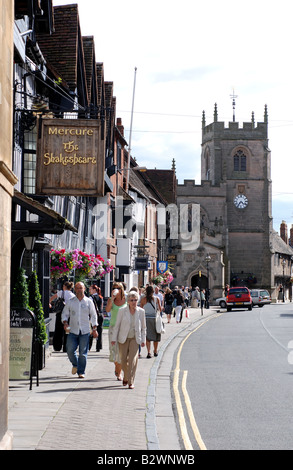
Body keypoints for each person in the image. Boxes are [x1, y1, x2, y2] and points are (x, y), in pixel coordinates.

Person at [62, 282, 98, 378]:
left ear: (84, 289)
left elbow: (94, 315)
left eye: (81, 288)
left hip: (85, 331)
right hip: (73, 330)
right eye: (77, 288)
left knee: (83, 353)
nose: (79, 290)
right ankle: (75, 364)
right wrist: (65, 323)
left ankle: (81, 372)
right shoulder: (71, 301)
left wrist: (94, 328)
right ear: (75, 290)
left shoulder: (88, 301)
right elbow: (65, 313)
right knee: (70, 350)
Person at [111, 291, 146, 389]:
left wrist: (143, 340)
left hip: (135, 338)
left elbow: (144, 327)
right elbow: (117, 326)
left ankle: (131, 381)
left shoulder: (141, 312)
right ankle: (125, 376)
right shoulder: (122, 311)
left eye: (135, 300)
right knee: (123, 360)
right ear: (128, 301)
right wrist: (114, 338)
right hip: (123, 338)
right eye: (132, 300)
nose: (134, 302)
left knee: (132, 360)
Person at [106, 282, 127, 381]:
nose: (115, 289)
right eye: (114, 287)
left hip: (124, 328)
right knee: (113, 351)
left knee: (121, 352)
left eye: (118, 288)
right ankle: (117, 367)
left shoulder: (127, 299)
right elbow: (107, 310)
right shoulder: (111, 300)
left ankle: (119, 373)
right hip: (113, 328)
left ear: (122, 289)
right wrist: (112, 299)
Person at [50, 281, 75, 352]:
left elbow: (52, 298)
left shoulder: (61, 292)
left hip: (60, 313)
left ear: (64, 286)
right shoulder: (72, 295)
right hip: (69, 314)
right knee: (67, 331)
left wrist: (49, 303)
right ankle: (66, 347)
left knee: (58, 330)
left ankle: (57, 347)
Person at [140, 285, 162, 358]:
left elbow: (140, 309)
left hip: (146, 319)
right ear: (153, 291)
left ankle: (148, 352)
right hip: (154, 319)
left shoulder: (143, 299)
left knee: (148, 337)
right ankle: (155, 351)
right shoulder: (157, 299)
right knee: (156, 335)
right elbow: (160, 309)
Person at [89, 285, 104, 352]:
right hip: (100, 315)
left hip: (94, 315)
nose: (89, 291)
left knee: (92, 330)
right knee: (99, 331)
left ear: (94, 290)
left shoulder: (91, 297)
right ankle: (98, 346)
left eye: (90, 289)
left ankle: (89, 346)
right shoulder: (100, 297)